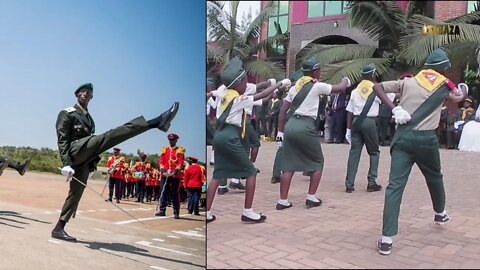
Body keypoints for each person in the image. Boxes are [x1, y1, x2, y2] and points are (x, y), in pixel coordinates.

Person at [52, 82, 179, 242]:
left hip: (84, 159)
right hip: (73, 151)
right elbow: (62, 140)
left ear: (92, 97)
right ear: (76, 94)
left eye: (89, 92)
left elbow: (93, 148)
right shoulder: (67, 113)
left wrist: (90, 166)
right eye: (82, 91)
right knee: (109, 136)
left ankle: (59, 228)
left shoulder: (89, 119)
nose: (85, 93)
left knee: (76, 193)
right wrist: (66, 162)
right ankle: (155, 122)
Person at [372, 48, 464, 255]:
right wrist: (461, 92)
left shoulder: (407, 81)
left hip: (403, 138)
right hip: (427, 141)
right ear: (443, 69)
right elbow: (458, 97)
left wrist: (394, 108)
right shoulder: (444, 85)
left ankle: (386, 239)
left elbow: (377, 86)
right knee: (434, 177)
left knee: (395, 187)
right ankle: (440, 213)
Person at [206, 56, 286, 223]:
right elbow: (262, 94)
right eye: (244, 81)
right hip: (230, 136)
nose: (246, 84)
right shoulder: (238, 98)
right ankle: (247, 212)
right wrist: (278, 84)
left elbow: (261, 97)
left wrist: (268, 94)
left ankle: (206, 213)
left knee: (217, 175)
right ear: (238, 83)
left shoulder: (224, 92)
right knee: (250, 172)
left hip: (219, 136)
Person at [275, 58, 350, 211]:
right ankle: (311, 197)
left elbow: (282, 111)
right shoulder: (316, 86)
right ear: (316, 72)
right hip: (305, 126)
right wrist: (346, 79)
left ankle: (282, 201)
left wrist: (280, 133)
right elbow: (340, 88)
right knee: (317, 162)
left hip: (290, 126)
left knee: (288, 164)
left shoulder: (295, 87)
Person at [344, 64, 395, 193]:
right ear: (373, 75)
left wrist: (348, 129)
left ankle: (349, 183)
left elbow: (349, 111)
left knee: (354, 152)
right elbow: (391, 98)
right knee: (374, 152)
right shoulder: (376, 89)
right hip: (369, 121)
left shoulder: (355, 91)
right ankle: (371, 182)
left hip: (356, 121)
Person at [155, 133, 185, 219]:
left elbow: (180, 163)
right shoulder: (165, 150)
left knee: (175, 193)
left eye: (173, 140)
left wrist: (174, 172)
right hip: (165, 175)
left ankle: (176, 212)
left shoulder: (179, 150)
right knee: (163, 192)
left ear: (176, 140)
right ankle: (162, 210)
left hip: (175, 175)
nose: (171, 141)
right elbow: (161, 162)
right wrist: (164, 172)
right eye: (170, 140)